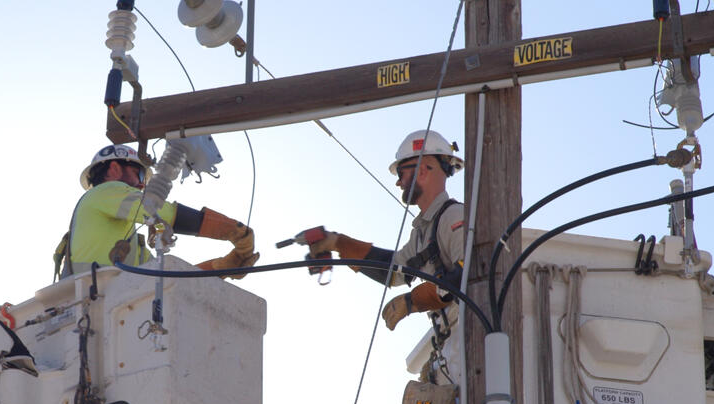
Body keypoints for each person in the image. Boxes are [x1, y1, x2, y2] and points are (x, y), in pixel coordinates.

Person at [305, 129, 465, 331]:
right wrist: (339, 244)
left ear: (421, 171)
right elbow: (393, 271)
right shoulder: (423, 231)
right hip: (451, 340)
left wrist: (412, 301)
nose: (399, 182)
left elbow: (467, 273)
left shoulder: (455, 216)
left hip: (468, 337)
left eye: (401, 173)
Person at [53, 144, 258, 280]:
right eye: (140, 174)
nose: (142, 185)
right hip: (95, 303)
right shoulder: (104, 192)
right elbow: (161, 210)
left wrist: (222, 267)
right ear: (114, 169)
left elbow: (168, 278)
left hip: (105, 309)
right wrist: (234, 230)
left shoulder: (128, 244)